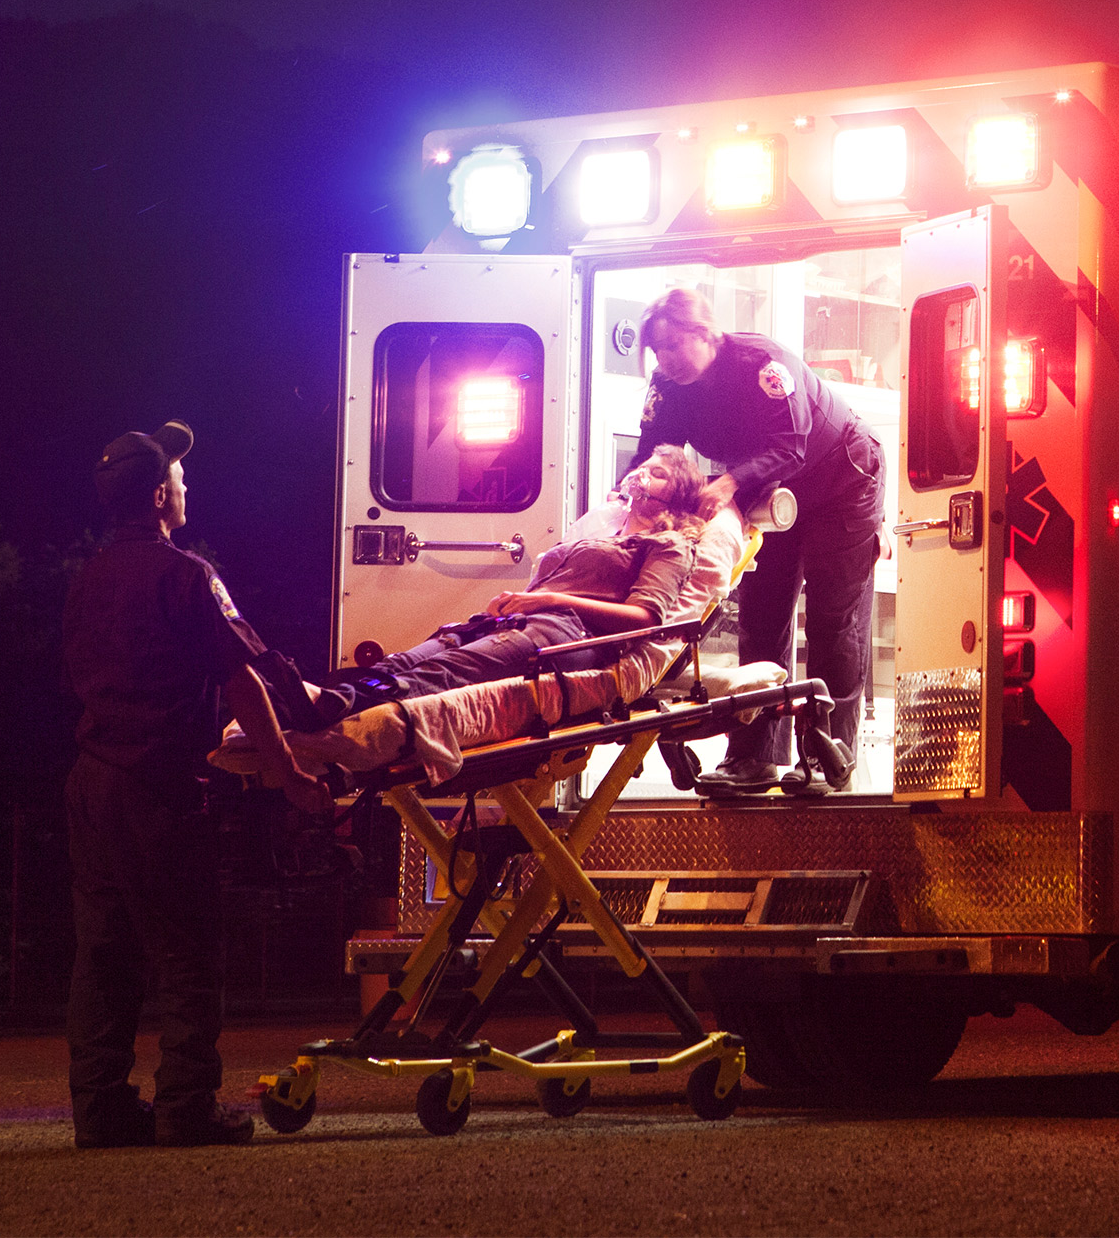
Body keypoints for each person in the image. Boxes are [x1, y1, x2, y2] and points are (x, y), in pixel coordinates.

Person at [61, 420, 325, 1151]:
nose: (187, 485)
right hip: (158, 786)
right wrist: (288, 771)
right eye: (178, 479)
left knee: (103, 954)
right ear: (156, 498)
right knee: (186, 949)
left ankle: (102, 1112)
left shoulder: (87, 579)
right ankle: (185, 1107)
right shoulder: (186, 574)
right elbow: (241, 677)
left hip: (91, 784)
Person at [628, 286, 884, 797]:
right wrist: (636, 497)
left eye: (675, 344)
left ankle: (827, 755)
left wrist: (726, 484)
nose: (666, 359)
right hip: (769, 496)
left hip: (842, 480)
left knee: (834, 619)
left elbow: (792, 444)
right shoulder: (669, 386)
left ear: (706, 332)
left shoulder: (763, 364)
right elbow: (651, 456)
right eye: (657, 350)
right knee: (762, 618)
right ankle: (755, 755)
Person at [291, 444, 729, 725]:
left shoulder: (668, 544)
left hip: (566, 633)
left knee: (444, 672)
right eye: (642, 467)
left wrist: (548, 599)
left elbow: (646, 618)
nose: (640, 476)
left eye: (657, 474)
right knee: (403, 661)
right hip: (509, 621)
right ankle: (315, 701)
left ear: (679, 495)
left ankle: (334, 709)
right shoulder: (599, 534)